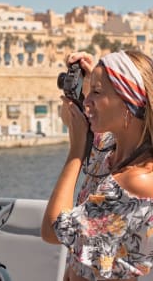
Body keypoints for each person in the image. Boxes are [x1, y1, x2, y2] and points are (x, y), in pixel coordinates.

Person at [41, 50, 153, 281]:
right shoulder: (111, 153)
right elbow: (76, 121)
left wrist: (75, 152)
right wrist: (88, 82)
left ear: (128, 103)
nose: (87, 101)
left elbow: (53, 231)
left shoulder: (137, 180)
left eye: (97, 92)